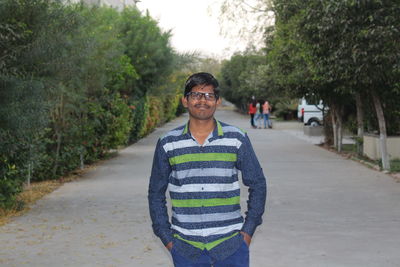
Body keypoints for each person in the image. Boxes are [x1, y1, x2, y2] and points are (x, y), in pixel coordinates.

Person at [148, 72, 267, 267]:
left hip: (231, 245)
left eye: (209, 95)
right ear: (185, 101)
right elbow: (155, 192)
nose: (203, 100)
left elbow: (258, 183)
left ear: (217, 101)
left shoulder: (237, 138)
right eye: (196, 94)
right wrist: (166, 237)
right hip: (185, 247)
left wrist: (248, 231)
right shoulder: (168, 143)